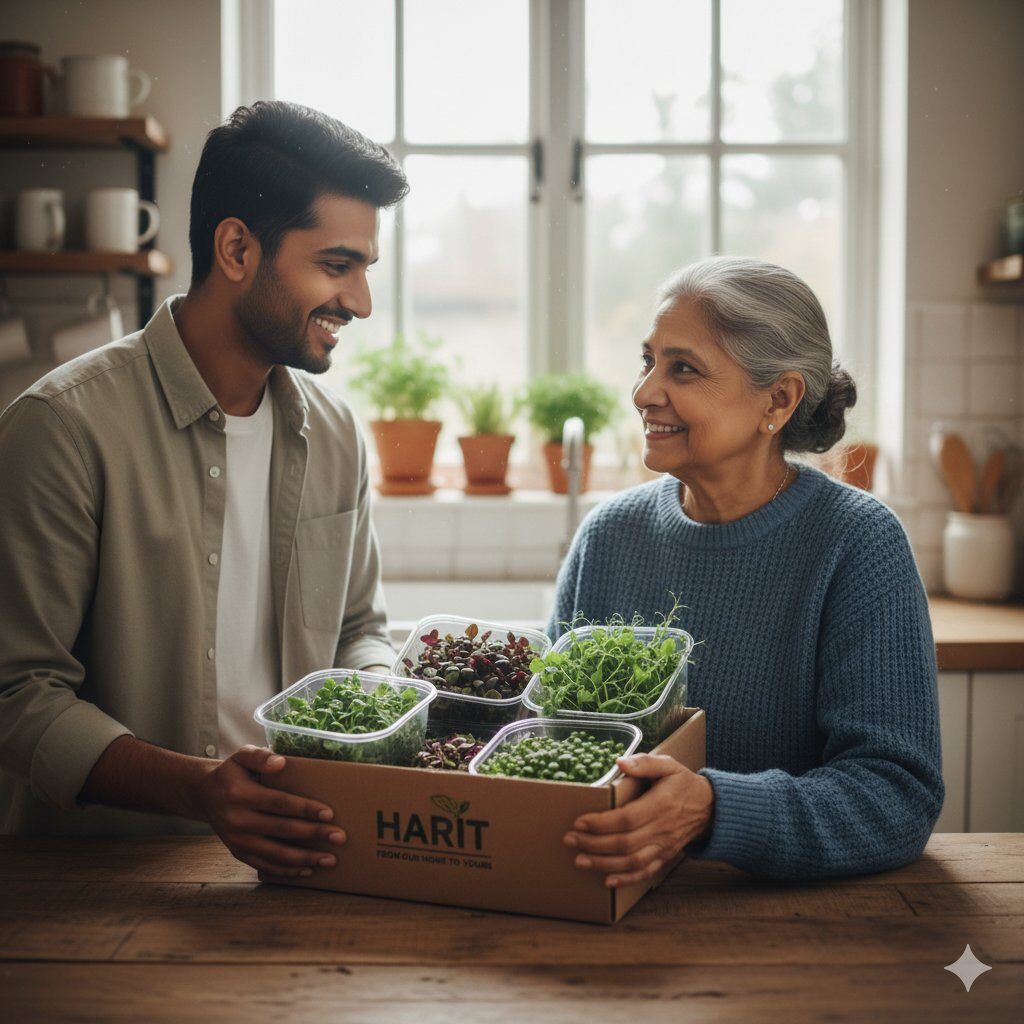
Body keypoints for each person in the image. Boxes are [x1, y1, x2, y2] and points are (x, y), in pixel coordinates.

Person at [0, 101, 407, 881]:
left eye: (365, 270)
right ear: (235, 249)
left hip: (301, 862)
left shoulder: (337, 434)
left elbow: (360, 629)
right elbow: (17, 694)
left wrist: (380, 704)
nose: (359, 301)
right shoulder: (62, 427)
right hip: (96, 884)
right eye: (336, 264)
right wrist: (200, 791)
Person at [550, 256, 944, 885]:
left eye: (683, 368)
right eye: (647, 361)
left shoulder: (857, 544)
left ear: (779, 399)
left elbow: (895, 797)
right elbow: (544, 740)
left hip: (789, 931)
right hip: (607, 903)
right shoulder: (608, 537)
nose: (644, 392)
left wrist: (713, 808)